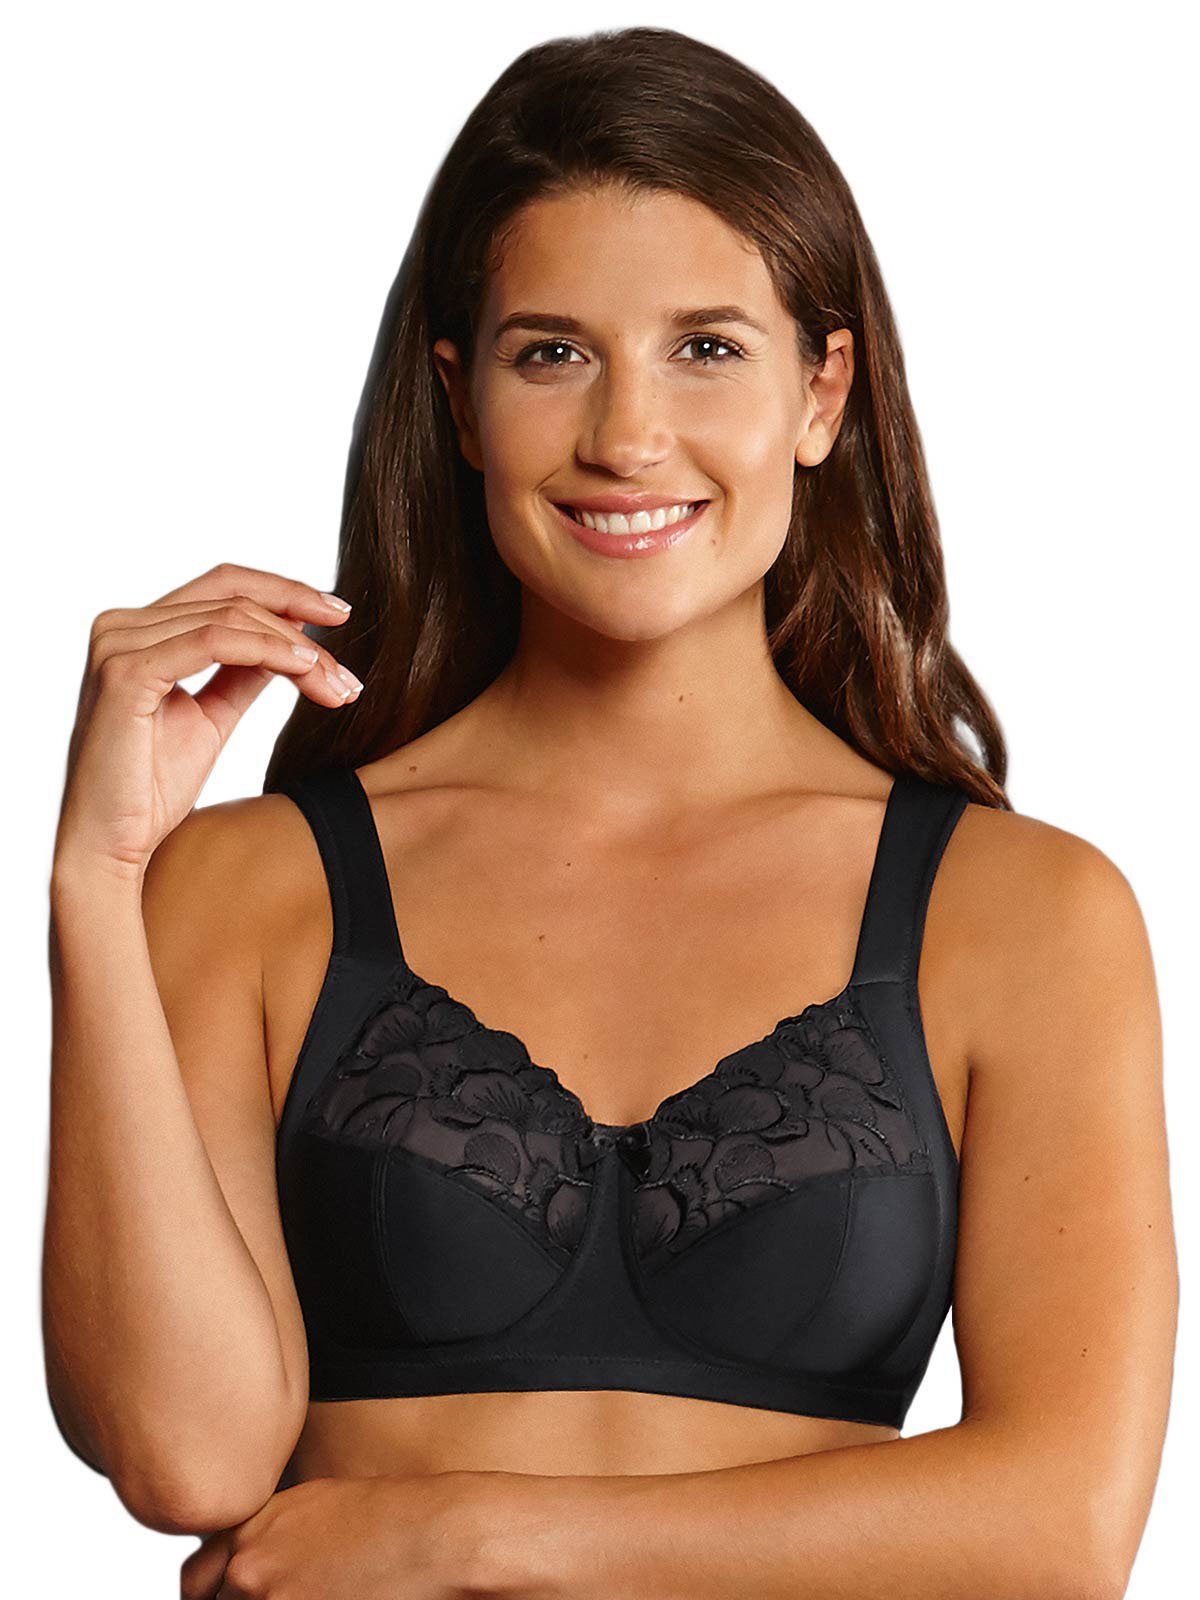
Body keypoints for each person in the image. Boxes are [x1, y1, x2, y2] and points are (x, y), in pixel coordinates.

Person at [43, 24, 1176, 1600]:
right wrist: (95, 886)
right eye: (552, 353)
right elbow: (187, 1460)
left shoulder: (1024, 914)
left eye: (706, 347)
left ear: (822, 391)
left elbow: (1060, 1526)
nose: (628, 437)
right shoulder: (254, 886)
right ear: (460, 399)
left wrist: (464, 1533)